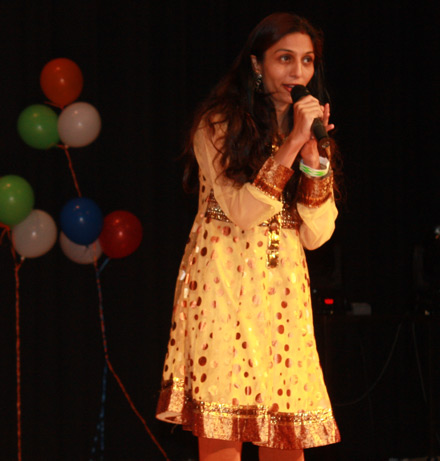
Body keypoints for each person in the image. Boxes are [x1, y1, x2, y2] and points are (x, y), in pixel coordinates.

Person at [156, 12, 341, 461]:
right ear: (257, 64)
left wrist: (315, 160)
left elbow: (317, 235)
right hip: (223, 283)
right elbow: (241, 211)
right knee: (224, 425)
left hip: (282, 293)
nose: (298, 73)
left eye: (307, 61)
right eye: (285, 59)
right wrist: (292, 145)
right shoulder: (217, 124)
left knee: (286, 433)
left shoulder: (306, 136)